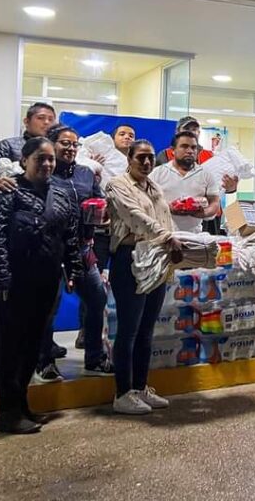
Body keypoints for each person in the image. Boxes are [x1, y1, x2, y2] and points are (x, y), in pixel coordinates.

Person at [0, 137, 82, 434]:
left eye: (51, 159)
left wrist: (73, 269)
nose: (47, 163)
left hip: (47, 281)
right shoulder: (7, 191)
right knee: (10, 348)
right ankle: (7, 412)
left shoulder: (61, 194)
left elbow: (69, 237)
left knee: (33, 345)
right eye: (40, 158)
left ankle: (22, 404)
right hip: (14, 283)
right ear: (24, 161)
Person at [0, 101, 58, 368]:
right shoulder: (8, 146)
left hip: (43, 237)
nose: (47, 123)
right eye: (42, 118)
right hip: (11, 233)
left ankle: (44, 344)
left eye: (51, 119)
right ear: (27, 121)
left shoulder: (57, 146)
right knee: (0, 299)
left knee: (43, 302)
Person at [34, 125, 114, 382]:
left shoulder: (85, 174)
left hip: (82, 249)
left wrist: (101, 214)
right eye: (64, 143)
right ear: (51, 145)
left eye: (74, 144)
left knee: (97, 299)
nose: (69, 148)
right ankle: (44, 361)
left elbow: (99, 202)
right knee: (48, 307)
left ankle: (95, 357)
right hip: (51, 252)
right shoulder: (43, 174)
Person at [105, 139, 178, 415]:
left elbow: (165, 220)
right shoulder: (117, 185)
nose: (147, 163)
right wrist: (168, 237)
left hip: (154, 259)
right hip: (129, 260)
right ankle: (122, 393)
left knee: (147, 330)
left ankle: (139, 387)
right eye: (141, 158)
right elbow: (135, 217)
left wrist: (171, 248)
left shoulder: (154, 187)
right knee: (129, 330)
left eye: (150, 158)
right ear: (129, 159)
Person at [77, 122, 136, 351]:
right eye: (122, 134)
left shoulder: (136, 166)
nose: (127, 138)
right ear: (113, 138)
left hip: (125, 234)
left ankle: (117, 330)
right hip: (100, 234)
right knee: (93, 285)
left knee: (124, 283)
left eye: (131, 135)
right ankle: (85, 331)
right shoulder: (96, 159)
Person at [149, 131, 221, 234]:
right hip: (162, 235)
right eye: (184, 146)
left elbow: (214, 202)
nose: (190, 151)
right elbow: (145, 201)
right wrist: (167, 208)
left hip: (194, 237)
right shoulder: (157, 173)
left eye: (193, 147)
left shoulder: (206, 174)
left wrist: (203, 213)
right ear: (173, 150)